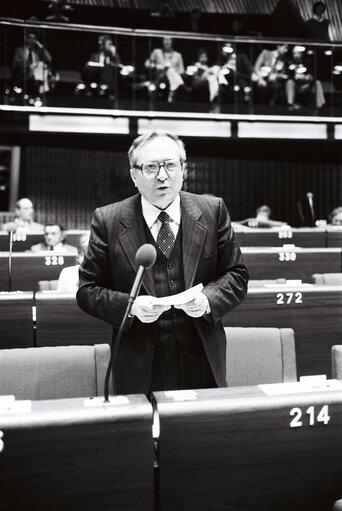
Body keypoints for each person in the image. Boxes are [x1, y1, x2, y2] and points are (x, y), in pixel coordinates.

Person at [77, 130, 249, 396]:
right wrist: (130, 307)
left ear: (183, 169)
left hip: (202, 355)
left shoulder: (212, 210)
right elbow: (87, 290)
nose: (162, 175)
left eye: (170, 165)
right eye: (150, 167)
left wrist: (208, 300)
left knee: (205, 432)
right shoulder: (108, 220)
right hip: (139, 362)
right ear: (134, 175)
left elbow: (236, 274)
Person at [12, 30, 53, 104]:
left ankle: (41, 91)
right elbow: (15, 64)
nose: (32, 40)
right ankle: (43, 88)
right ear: (26, 38)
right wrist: (28, 65)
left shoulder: (38, 51)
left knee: (42, 66)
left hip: (36, 76)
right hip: (24, 74)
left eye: (34, 38)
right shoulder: (19, 50)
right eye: (30, 38)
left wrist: (40, 46)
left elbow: (49, 59)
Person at [145, 37, 185, 102]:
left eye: (169, 40)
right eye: (165, 40)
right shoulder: (156, 52)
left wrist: (174, 70)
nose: (167, 42)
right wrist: (157, 66)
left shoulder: (178, 55)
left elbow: (182, 70)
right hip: (158, 77)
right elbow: (147, 64)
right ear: (162, 41)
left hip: (172, 78)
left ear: (172, 41)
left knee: (170, 70)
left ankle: (172, 95)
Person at [286, 46, 325, 111]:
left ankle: (320, 107)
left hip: (307, 86)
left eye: (297, 53)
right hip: (296, 85)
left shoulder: (308, 63)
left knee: (317, 82)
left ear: (301, 54)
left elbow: (313, 75)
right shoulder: (289, 63)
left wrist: (308, 77)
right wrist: (295, 77)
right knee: (289, 82)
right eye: (294, 53)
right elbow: (286, 76)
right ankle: (290, 105)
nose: (295, 55)